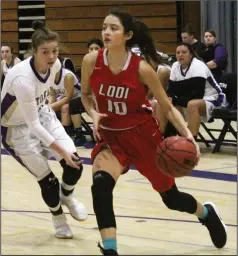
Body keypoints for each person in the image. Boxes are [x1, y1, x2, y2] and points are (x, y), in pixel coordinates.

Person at [81, 8, 227, 255]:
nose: (106, 32)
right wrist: (93, 113)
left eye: (113, 28)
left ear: (127, 35)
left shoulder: (142, 69)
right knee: (100, 186)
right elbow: (85, 95)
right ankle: (110, 249)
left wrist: (189, 137)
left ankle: (206, 213)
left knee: (172, 199)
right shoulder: (91, 61)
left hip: (142, 136)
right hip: (111, 137)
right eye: (104, 27)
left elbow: (168, 108)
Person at [1, 20, 87, 239]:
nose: (51, 56)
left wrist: (66, 153)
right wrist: (62, 151)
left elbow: (49, 96)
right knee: (49, 182)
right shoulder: (22, 79)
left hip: (42, 114)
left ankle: (66, 196)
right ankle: (58, 218)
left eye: (55, 51)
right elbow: (33, 126)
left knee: (75, 165)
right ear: (34, 52)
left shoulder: (55, 65)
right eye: (45, 52)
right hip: (15, 129)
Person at [167, 42, 227, 139]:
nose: (180, 55)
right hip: (192, 97)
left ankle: (192, 141)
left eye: (184, 52)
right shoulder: (175, 66)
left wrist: (175, 99)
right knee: (167, 103)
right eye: (178, 53)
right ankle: (175, 137)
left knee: (192, 104)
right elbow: (171, 89)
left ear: (191, 55)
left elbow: (197, 94)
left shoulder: (198, 65)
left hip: (214, 98)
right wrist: (170, 98)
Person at [49, 66, 88, 147]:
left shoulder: (67, 76)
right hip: (66, 99)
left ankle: (77, 135)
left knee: (65, 107)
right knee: (48, 110)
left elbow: (68, 97)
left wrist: (51, 106)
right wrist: (48, 107)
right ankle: (53, 133)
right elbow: (52, 96)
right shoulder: (49, 77)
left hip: (80, 97)